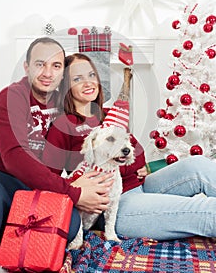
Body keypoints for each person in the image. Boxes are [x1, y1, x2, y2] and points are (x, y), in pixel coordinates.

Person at [0, 38, 114, 257]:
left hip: (34, 185)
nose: (48, 73)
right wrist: (73, 192)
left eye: (56, 66)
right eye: (40, 64)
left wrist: (126, 168)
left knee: (70, 225)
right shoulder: (12, 96)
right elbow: (15, 157)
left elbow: (75, 154)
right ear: (27, 67)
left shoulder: (64, 102)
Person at [42, 52, 216, 241]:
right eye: (77, 78)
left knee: (197, 165)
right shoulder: (63, 125)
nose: (88, 82)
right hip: (118, 205)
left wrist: (123, 163)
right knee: (204, 211)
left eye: (92, 75)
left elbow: (138, 153)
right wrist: (75, 187)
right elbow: (46, 179)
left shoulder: (109, 115)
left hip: (142, 184)